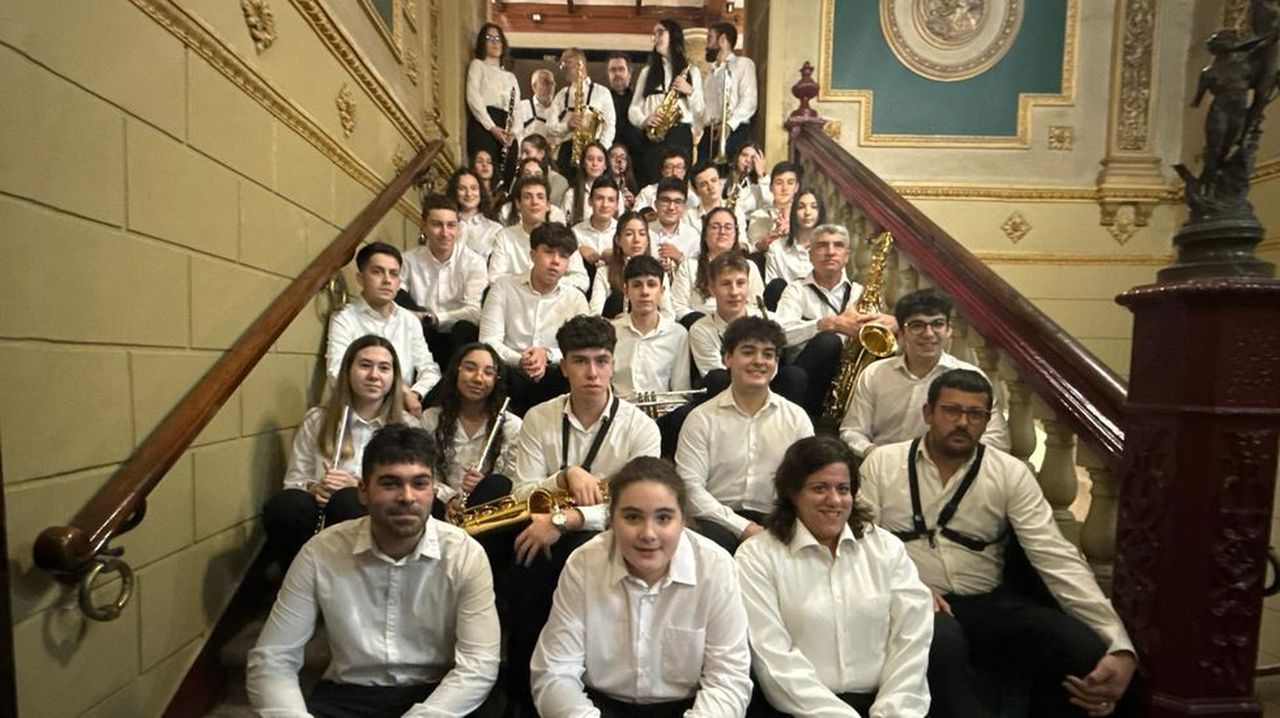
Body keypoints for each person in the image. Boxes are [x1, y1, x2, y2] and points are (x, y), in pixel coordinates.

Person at [859, 370, 1136, 718]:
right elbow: (861, 542)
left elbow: (1057, 558)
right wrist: (906, 585)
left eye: (976, 414)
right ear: (928, 414)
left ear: (987, 421)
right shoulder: (882, 463)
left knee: (1081, 648)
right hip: (913, 599)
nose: (963, 422)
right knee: (939, 639)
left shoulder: (1010, 472)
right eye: (951, 410)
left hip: (987, 603)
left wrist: (1117, 642)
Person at [247, 424, 500, 717]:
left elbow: (478, 665)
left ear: (433, 490)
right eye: (390, 484)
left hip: (438, 694)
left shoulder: (465, 555)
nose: (407, 497)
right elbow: (272, 659)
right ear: (363, 492)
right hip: (348, 695)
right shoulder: (321, 552)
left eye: (420, 484)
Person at [503, 315, 663, 712]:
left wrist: (567, 519)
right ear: (564, 366)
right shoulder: (539, 417)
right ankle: (524, 694)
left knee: (579, 548)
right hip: (544, 528)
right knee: (527, 562)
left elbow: (638, 508)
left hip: (602, 535)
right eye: (580, 361)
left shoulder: (641, 428)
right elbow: (521, 490)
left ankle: (586, 689)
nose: (592, 372)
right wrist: (563, 476)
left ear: (613, 362)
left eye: (601, 360)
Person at [531, 456, 753, 717]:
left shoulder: (716, 567)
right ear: (611, 519)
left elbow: (728, 679)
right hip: (596, 707)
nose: (648, 533)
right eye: (633, 517)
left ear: (683, 520)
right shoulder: (584, 563)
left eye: (664, 518)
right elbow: (556, 672)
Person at [737, 436, 934, 717]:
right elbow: (773, 657)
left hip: (886, 707)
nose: (835, 500)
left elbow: (911, 639)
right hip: (799, 711)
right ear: (792, 493)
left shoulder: (887, 549)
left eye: (843, 489)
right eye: (820, 488)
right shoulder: (756, 557)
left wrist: (893, 712)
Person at [262, 336, 406, 569]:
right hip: (321, 510)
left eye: (384, 368)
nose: (374, 375)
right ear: (348, 371)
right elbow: (294, 481)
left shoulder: (407, 427)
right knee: (285, 505)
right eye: (365, 365)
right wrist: (314, 488)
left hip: (374, 515)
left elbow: (410, 491)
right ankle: (301, 579)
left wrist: (359, 487)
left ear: (393, 377)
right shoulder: (318, 419)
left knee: (348, 500)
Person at [676, 316, 814, 553]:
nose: (759, 361)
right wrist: (744, 527)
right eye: (748, 352)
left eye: (768, 354)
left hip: (778, 519)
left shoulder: (797, 418)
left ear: (777, 363)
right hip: (716, 522)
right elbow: (690, 489)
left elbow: (807, 483)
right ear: (727, 358)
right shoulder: (701, 419)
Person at [839, 288, 1009, 458]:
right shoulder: (875, 374)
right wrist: (877, 456)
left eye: (937, 324)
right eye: (917, 325)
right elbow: (852, 431)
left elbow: (997, 441)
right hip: (882, 467)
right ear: (902, 333)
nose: (928, 333)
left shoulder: (971, 377)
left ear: (949, 330)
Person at [772, 224, 896, 416]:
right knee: (827, 341)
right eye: (822, 246)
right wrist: (826, 324)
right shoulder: (795, 290)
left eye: (838, 245)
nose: (830, 252)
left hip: (845, 380)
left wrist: (892, 324)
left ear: (847, 255)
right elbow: (779, 335)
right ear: (810, 254)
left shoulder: (860, 294)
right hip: (804, 383)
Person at [480, 221, 590, 415]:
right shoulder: (503, 288)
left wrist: (546, 355)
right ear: (532, 254)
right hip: (510, 371)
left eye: (563, 256)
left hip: (554, 374)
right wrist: (521, 360)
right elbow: (488, 340)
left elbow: (582, 347)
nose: (555, 261)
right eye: (548, 252)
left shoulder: (575, 298)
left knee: (573, 372)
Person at [326, 242, 441, 416]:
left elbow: (429, 370)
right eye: (377, 272)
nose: (387, 280)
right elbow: (336, 372)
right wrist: (401, 390)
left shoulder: (409, 320)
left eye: (393, 274)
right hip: (357, 410)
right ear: (360, 278)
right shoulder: (345, 319)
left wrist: (414, 394)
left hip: (400, 411)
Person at [419, 343, 522, 519]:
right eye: (470, 368)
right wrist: (448, 497)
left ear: (496, 380)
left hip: (488, 515)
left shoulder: (511, 426)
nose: (478, 378)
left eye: (488, 373)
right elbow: (423, 472)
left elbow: (512, 482)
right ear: (456, 371)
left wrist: (482, 486)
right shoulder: (431, 419)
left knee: (495, 485)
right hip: (439, 510)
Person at [611, 254, 692, 456]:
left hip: (664, 419)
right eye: (637, 285)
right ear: (626, 290)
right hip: (620, 417)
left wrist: (658, 413)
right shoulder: (610, 332)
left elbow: (681, 391)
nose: (645, 292)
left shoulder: (678, 334)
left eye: (651, 285)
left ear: (662, 291)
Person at [398, 195, 486, 367]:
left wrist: (433, 318)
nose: (445, 233)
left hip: (458, 337)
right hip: (422, 332)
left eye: (451, 225)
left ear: (458, 229)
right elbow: (396, 299)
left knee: (464, 328)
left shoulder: (473, 262)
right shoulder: (407, 260)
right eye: (437, 224)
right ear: (423, 226)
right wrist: (420, 318)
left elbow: (475, 312)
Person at [629, 19, 704, 185]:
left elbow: (699, 111)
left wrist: (689, 91)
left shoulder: (692, 71)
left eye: (660, 32)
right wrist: (644, 120)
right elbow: (633, 108)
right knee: (652, 182)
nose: (655, 38)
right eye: (654, 34)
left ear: (674, 35)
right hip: (653, 136)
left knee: (679, 185)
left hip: (680, 135)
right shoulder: (647, 72)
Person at [488, 176, 589, 293]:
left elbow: (582, 280)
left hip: (554, 301)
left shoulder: (563, 236)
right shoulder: (504, 236)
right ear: (518, 204)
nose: (534, 202)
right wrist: (527, 285)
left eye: (540, 197)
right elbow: (494, 278)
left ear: (548, 205)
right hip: (515, 301)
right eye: (527, 197)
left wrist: (548, 284)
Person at [671, 209, 764, 324]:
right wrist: (708, 324)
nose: (722, 232)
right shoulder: (689, 266)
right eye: (715, 227)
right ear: (705, 234)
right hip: (698, 327)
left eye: (728, 227)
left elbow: (756, 306)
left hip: (741, 327)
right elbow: (678, 306)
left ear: (735, 235)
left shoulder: (750, 267)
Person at [591, 211, 674, 319]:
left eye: (642, 234)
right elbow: (594, 314)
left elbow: (668, 314)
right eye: (629, 234)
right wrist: (615, 324)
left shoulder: (658, 272)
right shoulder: (604, 272)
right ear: (618, 240)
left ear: (648, 240)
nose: (636, 240)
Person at [548, 48, 617, 174]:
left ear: (580, 64)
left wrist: (601, 150)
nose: (563, 68)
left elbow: (610, 125)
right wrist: (567, 126)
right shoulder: (561, 94)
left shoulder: (602, 92)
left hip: (594, 148)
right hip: (567, 151)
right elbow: (550, 126)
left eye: (566, 63)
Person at [698, 20, 757, 165]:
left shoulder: (743, 64)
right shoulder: (710, 74)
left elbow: (749, 100)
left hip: (734, 131)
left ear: (723, 39)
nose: (707, 45)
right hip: (710, 132)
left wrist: (729, 125)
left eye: (710, 38)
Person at [465, 23, 519, 168]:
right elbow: (473, 98)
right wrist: (492, 127)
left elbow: (518, 110)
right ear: (483, 42)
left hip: (506, 129)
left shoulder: (510, 77)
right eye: (489, 38)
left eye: (498, 38)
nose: (495, 42)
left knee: (507, 170)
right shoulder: (478, 65)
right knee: (484, 168)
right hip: (484, 125)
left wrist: (513, 132)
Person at [763, 188, 824, 289]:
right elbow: (771, 291)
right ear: (794, 212)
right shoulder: (776, 248)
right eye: (801, 207)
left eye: (814, 207)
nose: (807, 212)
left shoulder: (830, 249)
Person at [648, 176, 702, 276]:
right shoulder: (645, 232)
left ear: (684, 207)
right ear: (656, 204)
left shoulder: (693, 236)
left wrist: (680, 258)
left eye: (678, 202)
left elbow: (699, 274)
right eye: (666, 200)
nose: (671, 207)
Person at [746, 162, 801, 256]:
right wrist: (763, 245)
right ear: (771, 188)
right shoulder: (759, 216)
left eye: (790, 183)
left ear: (796, 187)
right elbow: (753, 248)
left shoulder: (802, 215)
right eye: (779, 183)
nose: (784, 188)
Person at [450, 167, 503, 262]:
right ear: (454, 192)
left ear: (480, 191)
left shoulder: (495, 229)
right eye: (462, 188)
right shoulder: (445, 226)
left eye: (473, 188)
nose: (469, 193)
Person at [606, 52, 645, 172]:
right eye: (613, 70)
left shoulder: (641, 100)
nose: (617, 74)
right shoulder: (602, 100)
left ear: (630, 73)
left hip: (638, 160)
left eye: (621, 69)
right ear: (608, 75)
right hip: (609, 160)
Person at [572, 175, 620, 272]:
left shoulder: (623, 232)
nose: (605, 205)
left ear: (617, 205)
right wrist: (578, 251)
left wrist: (618, 255)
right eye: (599, 198)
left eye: (611, 200)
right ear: (590, 201)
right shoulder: (575, 233)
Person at [633, 147, 699, 213]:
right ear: (662, 171)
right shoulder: (648, 192)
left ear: (684, 171)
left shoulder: (692, 197)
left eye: (679, 167)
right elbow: (636, 216)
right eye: (669, 167)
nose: (674, 172)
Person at [562, 141, 612, 227]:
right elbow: (563, 225)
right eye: (590, 159)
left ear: (605, 165)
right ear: (583, 164)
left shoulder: (615, 193)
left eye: (599, 160)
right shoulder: (572, 194)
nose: (595, 164)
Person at [518, 133, 570, 205]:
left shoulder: (558, 181)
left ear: (541, 154)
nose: (523, 157)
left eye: (527, 152)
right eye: (521, 152)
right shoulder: (517, 178)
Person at [725, 141, 771, 217]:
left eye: (753, 158)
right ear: (737, 157)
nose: (748, 160)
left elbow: (770, 203)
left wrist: (761, 175)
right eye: (744, 155)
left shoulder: (759, 187)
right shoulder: (723, 182)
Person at [517, 68, 557, 149]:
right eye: (545, 82)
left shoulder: (559, 109)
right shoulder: (522, 107)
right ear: (534, 86)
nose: (550, 87)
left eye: (552, 83)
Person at [607, 142, 640, 212]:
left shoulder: (631, 185)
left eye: (623, 157)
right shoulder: (601, 183)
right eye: (613, 156)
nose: (619, 160)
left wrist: (633, 203)